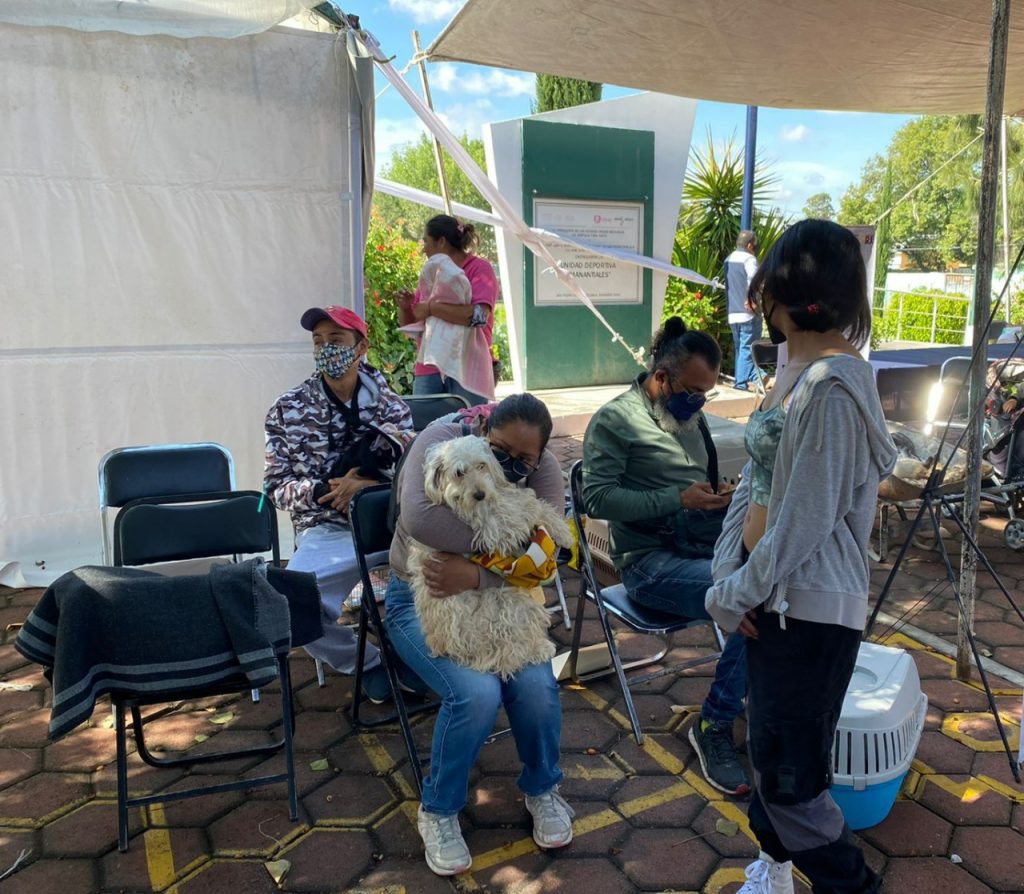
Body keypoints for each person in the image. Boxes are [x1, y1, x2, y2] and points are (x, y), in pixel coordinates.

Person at [705, 220, 896, 894]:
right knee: (769, 758)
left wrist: (734, 590)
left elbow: (803, 523)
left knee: (792, 782)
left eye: (763, 289)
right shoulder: (797, 372)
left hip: (807, 610)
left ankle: (854, 887)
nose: (758, 303)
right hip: (770, 598)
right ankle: (777, 869)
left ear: (782, 291)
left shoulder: (836, 389)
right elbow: (756, 488)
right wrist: (730, 579)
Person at [386, 393, 573, 876]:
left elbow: (550, 552)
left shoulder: (546, 468)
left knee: (535, 684)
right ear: (484, 431)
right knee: (476, 693)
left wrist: (478, 575)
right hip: (422, 596)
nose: (512, 466)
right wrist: (513, 550)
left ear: (541, 453)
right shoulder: (440, 440)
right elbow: (421, 519)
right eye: (500, 451)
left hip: (503, 600)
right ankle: (440, 811)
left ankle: (543, 789)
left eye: (524, 459)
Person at [581, 318, 751, 797]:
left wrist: (717, 495)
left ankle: (761, 704)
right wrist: (679, 500)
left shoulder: (688, 417)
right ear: (661, 378)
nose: (698, 403)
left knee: (783, 584)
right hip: (646, 564)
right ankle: (714, 725)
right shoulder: (616, 420)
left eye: (705, 395)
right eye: (693, 392)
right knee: (750, 603)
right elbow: (595, 499)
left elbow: (693, 485)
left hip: (697, 544)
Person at [264, 305, 418, 701]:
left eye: (336, 340)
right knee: (288, 606)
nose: (326, 349)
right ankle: (369, 662)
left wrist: (363, 482)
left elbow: (415, 465)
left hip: (393, 523)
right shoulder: (287, 410)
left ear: (361, 346)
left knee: (457, 575)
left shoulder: (390, 404)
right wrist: (323, 490)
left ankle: (431, 659)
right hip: (330, 529)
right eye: (318, 341)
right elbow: (277, 486)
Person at [396, 214, 498, 406]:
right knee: (426, 430)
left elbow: (478, 317)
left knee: (468, 430)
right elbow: (414, 322)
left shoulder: (479, 268)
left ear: (441, 242)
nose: (423, 249)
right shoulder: (432, 273)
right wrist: (405, 308)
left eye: (426, 241)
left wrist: (432, 308)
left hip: (467, 367)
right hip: (429, 367)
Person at [725, 229, 761, 391]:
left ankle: (753, 378)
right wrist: (752, 301)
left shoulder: (728, 259)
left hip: (733, 313)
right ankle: (741, 383)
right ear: (749, 245)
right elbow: (754, 281)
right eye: (754, 245)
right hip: (748, 313)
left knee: (741, 349)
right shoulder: (749, 259)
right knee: (748, 349)